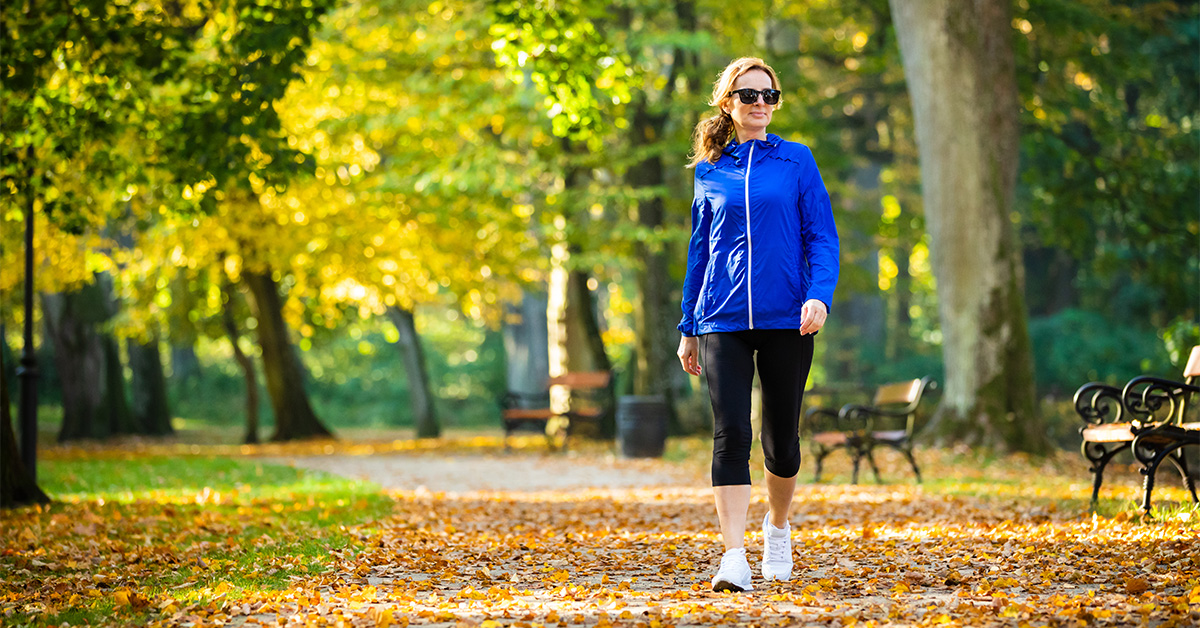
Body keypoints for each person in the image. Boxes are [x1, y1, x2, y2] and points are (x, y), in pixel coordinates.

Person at [676, 57, 839, 592]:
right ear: (728, 103)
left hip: (785, 318)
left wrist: (818, 296)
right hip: (721, 317)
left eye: (770, 95)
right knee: (730, 433)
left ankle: (778, 526)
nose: (761, 105)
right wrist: (688, 324)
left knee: (781, 441)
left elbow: (822, 237)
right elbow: (700, 251)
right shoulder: (710, 169)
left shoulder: (796, 160)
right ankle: (732, 557)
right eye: (750, 96)